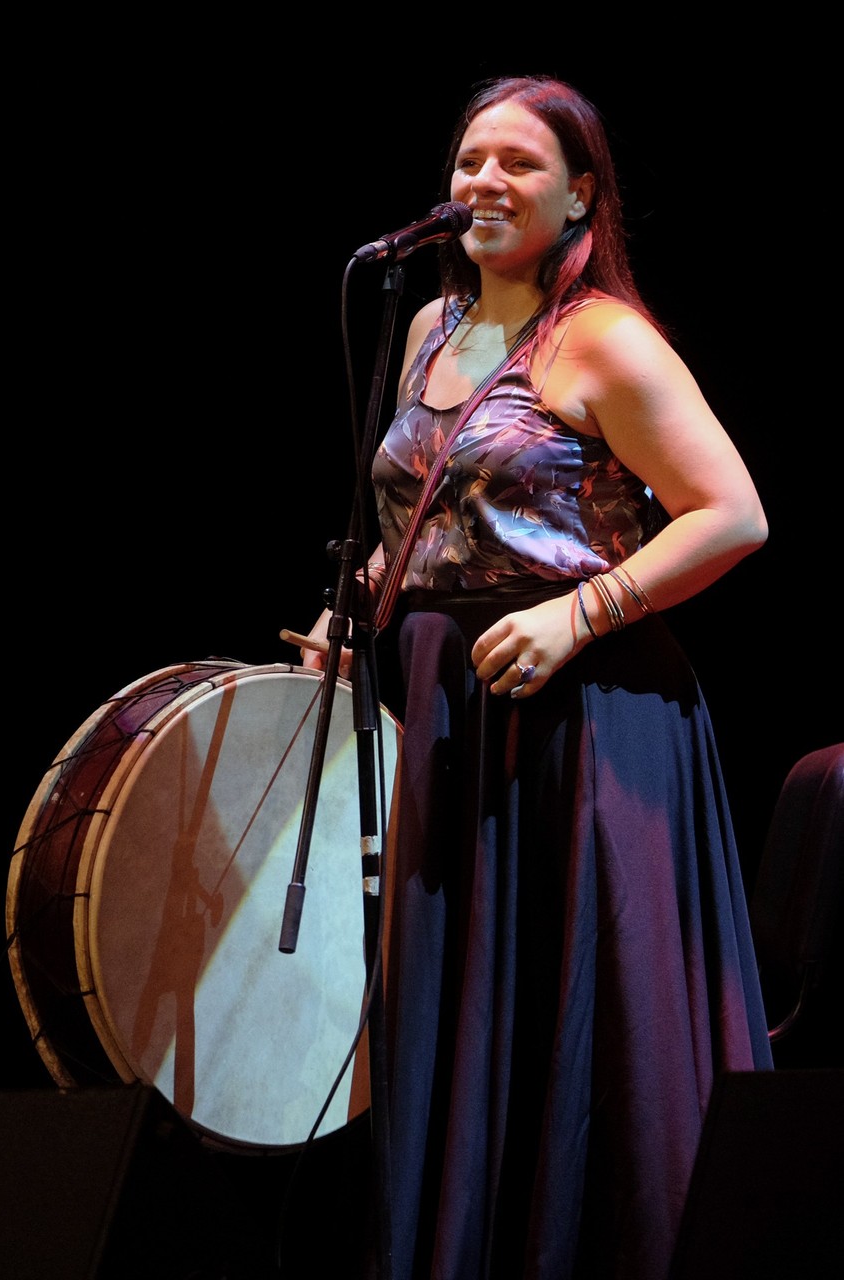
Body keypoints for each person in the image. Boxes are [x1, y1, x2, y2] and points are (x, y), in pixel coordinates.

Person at [297, 74, 773, 1280]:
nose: (484, 182)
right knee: (460, 1008)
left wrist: (579, 613)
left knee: (586, 1006)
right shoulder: (428, 327)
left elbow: (732, 514)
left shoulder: (602, 339)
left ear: (578, 196)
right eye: (469, 161)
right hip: (449, 711)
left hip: (584, 714)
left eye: (518, 163)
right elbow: (429, 517)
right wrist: (353, 612)